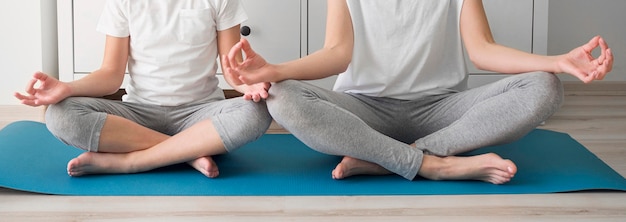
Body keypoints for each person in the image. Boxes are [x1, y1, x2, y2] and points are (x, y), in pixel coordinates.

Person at [222, 0, 614, 184]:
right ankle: (433, 163)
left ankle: (381, 159)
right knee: (282, 95)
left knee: (544, 86)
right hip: (364, 109)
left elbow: (483, 51)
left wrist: (556, 61)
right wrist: (274, 71)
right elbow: (337, 56)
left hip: (442, 108)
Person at [14, 0, 272, 178]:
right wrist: (67, 88)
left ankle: (131, 161)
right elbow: (110, 76)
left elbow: (232, 70)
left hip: (200, 115)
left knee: (258, 110)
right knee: (59, 113)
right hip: (138, 115)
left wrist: (249, 84)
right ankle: (187, 153)